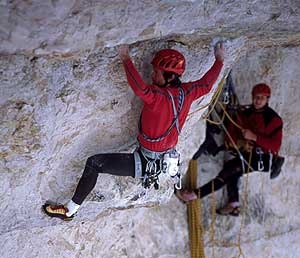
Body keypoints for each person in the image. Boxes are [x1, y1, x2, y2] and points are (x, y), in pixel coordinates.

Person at [43, 42, 225, 220]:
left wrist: (125, 58)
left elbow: (140, 89)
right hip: (162, 160)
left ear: (170, 77)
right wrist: (219, 60)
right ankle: (70, 209)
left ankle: (70, 210)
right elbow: (206, 84)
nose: (153, 76)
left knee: (95, 163)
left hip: (147, 162)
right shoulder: (188, 93)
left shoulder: (157, 96)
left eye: (156, 73)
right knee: (97, 163)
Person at [176, 83, 283, 216]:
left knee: (228, 172)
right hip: (247, 153)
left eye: (262, 97)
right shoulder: (247, 112)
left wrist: (254, 137)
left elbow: (275, 145)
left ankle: (192, 196)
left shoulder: (273, 119)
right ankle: (234, 205)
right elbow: (237, 125)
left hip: (263, 159)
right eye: (256, 97)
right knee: (232, 171)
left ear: (268, 99)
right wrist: (240, 141)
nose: (258, 100)